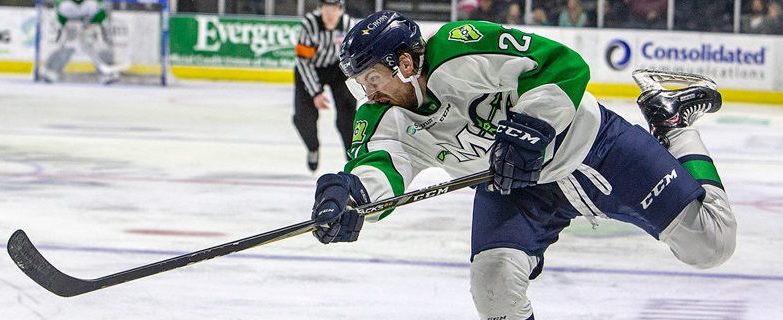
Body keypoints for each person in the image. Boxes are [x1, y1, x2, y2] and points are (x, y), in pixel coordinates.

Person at [310, 11, 737, 320]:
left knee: (711, 244)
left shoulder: (460, 46)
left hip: (591, 144)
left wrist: (532, 127)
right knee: (492, 285)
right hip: (514, 186)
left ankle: (673, 122)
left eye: (371, 79)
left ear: (404, 64)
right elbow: (379, 166)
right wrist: (351, 196)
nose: (367, 93)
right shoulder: (380, 117)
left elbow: (562, 64)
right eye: (358, 83)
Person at [293, 0, 357, 172]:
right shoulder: (310, 24)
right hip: (310, 69)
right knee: (303, 118)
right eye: (325, 9)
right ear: (320, 8)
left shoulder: (349, 24)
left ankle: (352, 158)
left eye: (334, 9)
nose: (329, 14)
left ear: (341, 9)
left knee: (348, 115)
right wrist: (316, 93)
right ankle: (313, 148)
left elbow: (353, 55)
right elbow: (303, 61)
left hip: (337, 70)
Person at [41, 0, 119, 84]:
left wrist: (90, 25)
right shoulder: (64, 5)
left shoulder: (92, 4)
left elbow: (101, 16)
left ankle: (107, 71)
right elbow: (60, 20)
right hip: (71, 23)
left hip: (90, 23)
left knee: (96, 43)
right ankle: (51, 70)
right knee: (69, 44)